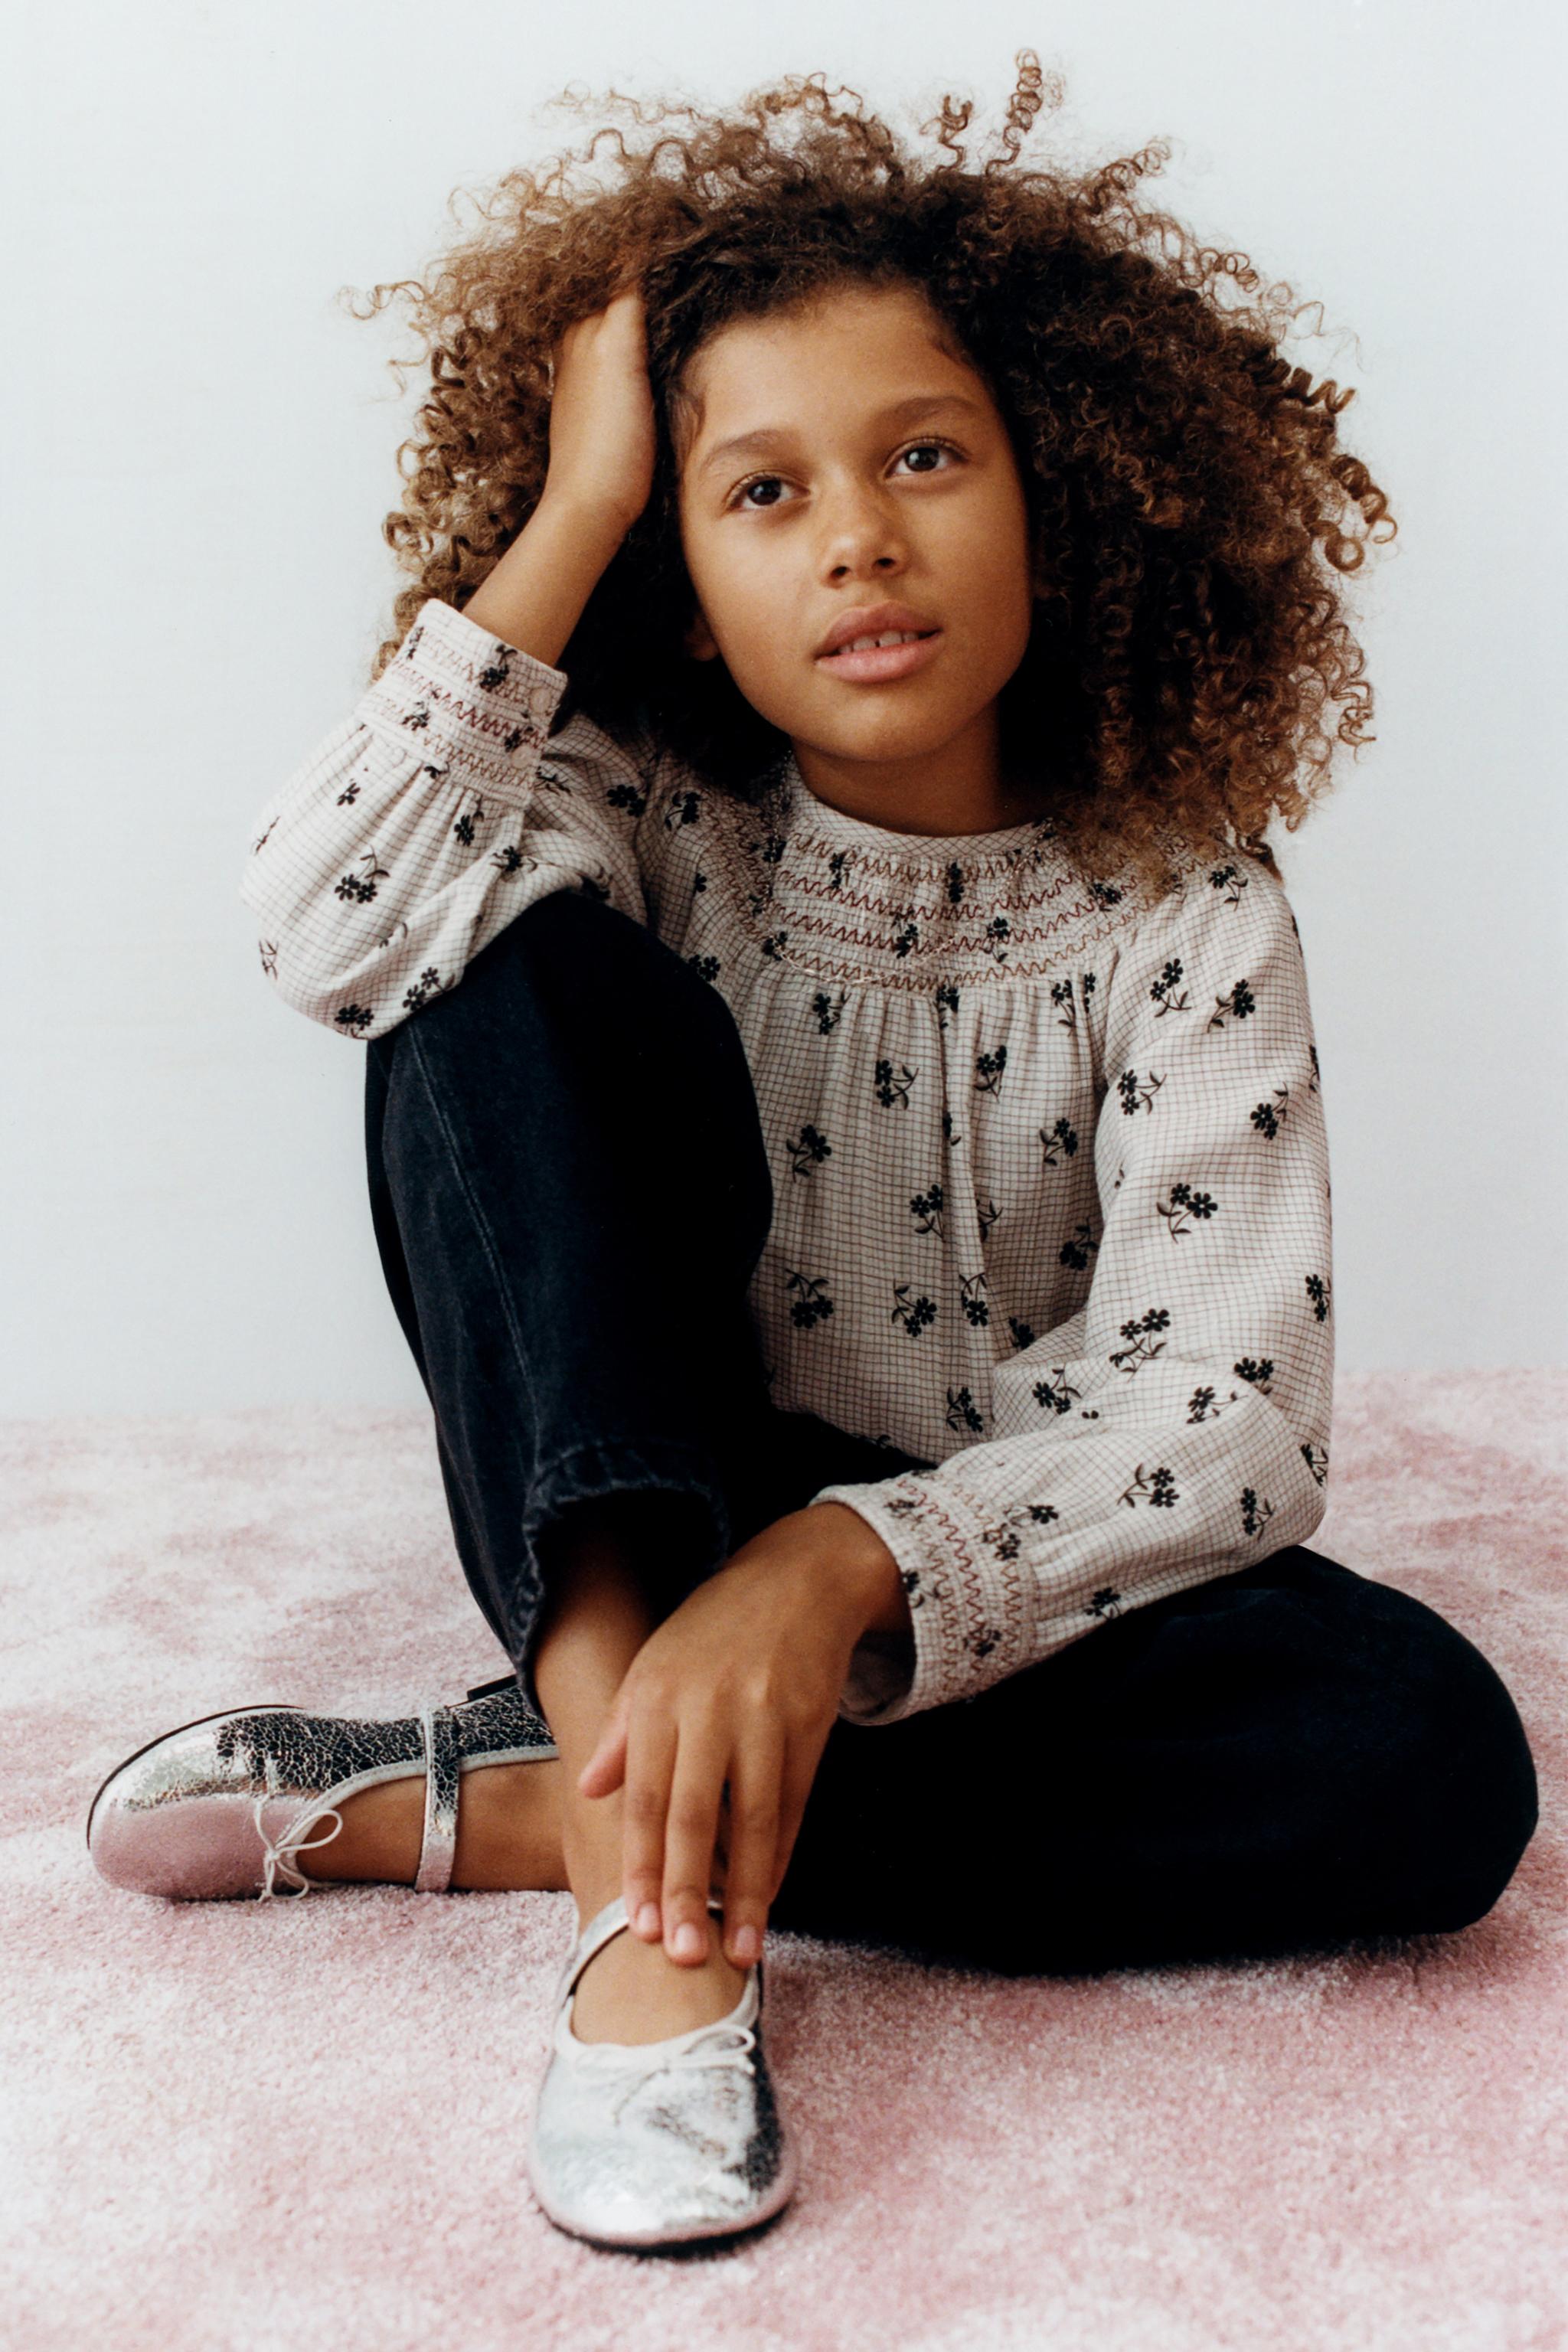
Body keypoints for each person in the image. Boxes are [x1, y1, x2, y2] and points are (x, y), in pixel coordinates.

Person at [86, 56, 1537, 2253]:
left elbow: (1226, 1428)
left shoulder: (1189, 901)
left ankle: (530, 1800)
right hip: (649, 1506)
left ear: (1053, 490)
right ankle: (655, 1921)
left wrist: (836, 1573)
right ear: (681, 582)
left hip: (974, 1583)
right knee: (481, 977)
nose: (858, 531)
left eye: (925, 457)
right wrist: (574, 513)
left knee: (1432, 1763)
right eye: (755, 494)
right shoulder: (648, 811)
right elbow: (321, 925)